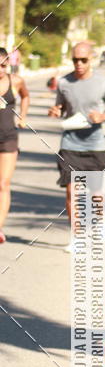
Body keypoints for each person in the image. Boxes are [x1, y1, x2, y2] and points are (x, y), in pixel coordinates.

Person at [48, 41, 105, 250]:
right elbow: (61, 108)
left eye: (83, 60)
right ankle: (77, 237)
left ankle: (99, 224)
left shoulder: (103, 82)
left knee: (95, 193)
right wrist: (55, 111)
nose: (78, 64)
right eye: (75, 60)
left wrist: (103, 116)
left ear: (91, 59)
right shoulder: (64, 82)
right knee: (72, 193)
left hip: (95, 145)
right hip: (69, 144)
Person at [0, 48, 29, 244]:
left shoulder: (15, 81)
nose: (0, 69)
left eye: (3, 65)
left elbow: (25, 96)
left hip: (8, 137)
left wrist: (23, 116)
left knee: (3, 184)